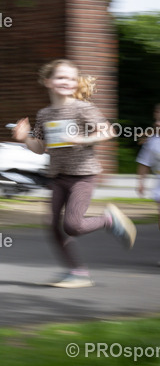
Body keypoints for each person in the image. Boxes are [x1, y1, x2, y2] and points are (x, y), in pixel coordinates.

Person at [12, 59, 136, 288]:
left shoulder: (82, 108)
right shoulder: (44, 114)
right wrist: (25, 138)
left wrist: (83, 138)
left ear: (76, 83)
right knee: (51, 224)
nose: (66, 82)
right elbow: (39, 148)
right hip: (57, 176)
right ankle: (77, 272)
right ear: (48, 82)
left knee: (73, 225)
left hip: (83, 175)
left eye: (71, 78)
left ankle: (109, 220)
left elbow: (108, 131)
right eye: (61, 77)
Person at [135, 103, 160, 234]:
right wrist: (141, 182)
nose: (158, 123)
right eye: (157, 119)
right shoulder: (152, 141)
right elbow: (144, 162)